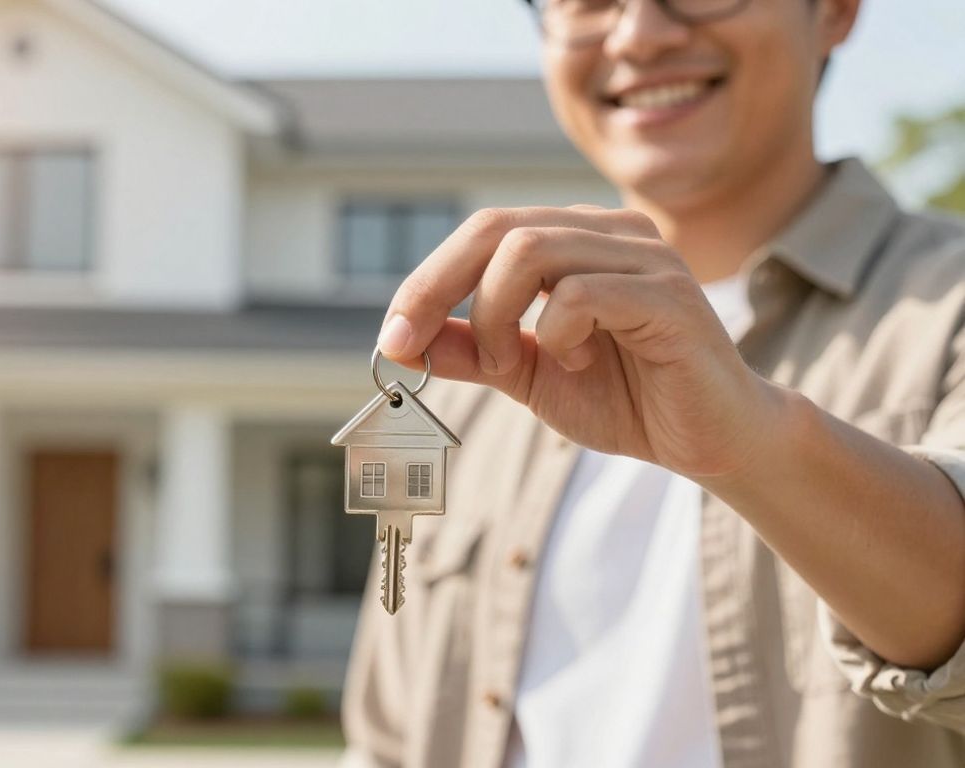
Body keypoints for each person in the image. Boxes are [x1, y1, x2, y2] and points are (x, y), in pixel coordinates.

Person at [339, 0, 965, 766]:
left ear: (833, 11)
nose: (638, 33)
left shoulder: (950, 311)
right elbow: (387, 740)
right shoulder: (477, 369)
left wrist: (753, 446)